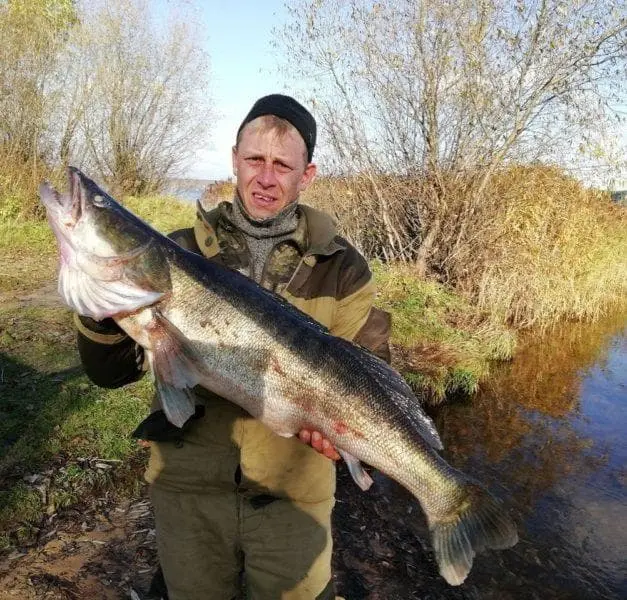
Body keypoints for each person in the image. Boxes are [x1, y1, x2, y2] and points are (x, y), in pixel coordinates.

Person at [74, 94, 391, 600]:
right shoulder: (178, 250)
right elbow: (110, 374)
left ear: (305, 175)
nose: (266, 178)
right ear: (235, 160)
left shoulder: (344, 268)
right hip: (189, 488)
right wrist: (101, 309)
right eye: (255, 160)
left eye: (282, 165)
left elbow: (371, 374)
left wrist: (351, 443)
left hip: (295, 495)